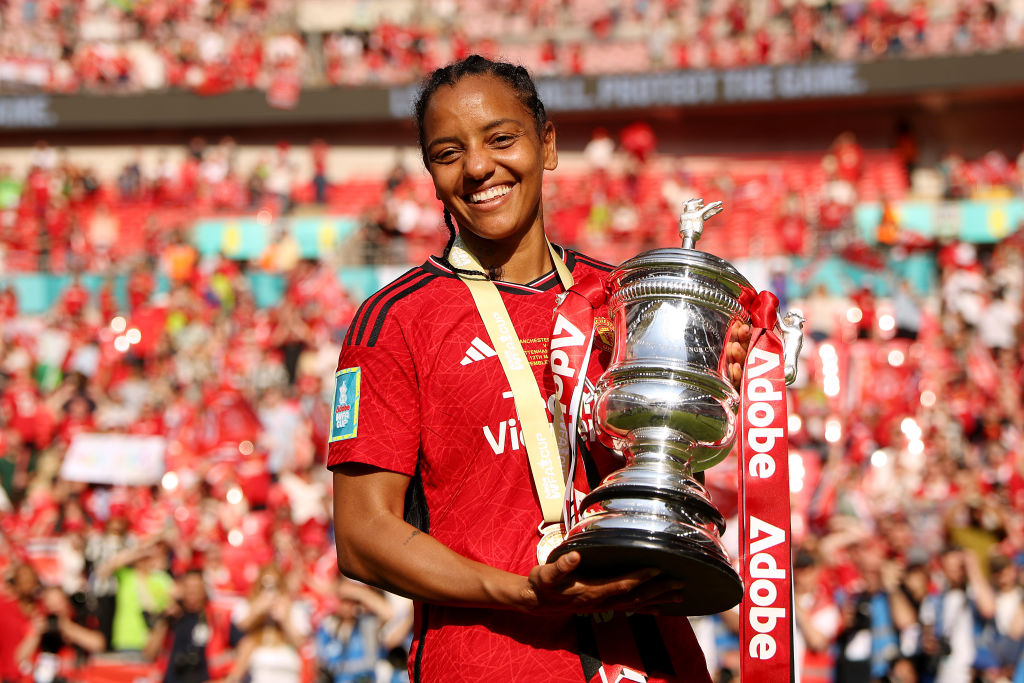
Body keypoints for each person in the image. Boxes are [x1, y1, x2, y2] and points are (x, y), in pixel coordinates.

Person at [329, 55, 748, 682]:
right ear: (431, 173)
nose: (477, 168)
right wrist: (523, 593)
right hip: (489, 663)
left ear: (546, 145)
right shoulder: (394, 320)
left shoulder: (625, 298)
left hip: (650, 663)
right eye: (448, 152)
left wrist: (716, 382)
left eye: (501, 138)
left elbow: (667, 471)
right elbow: (363, 535)